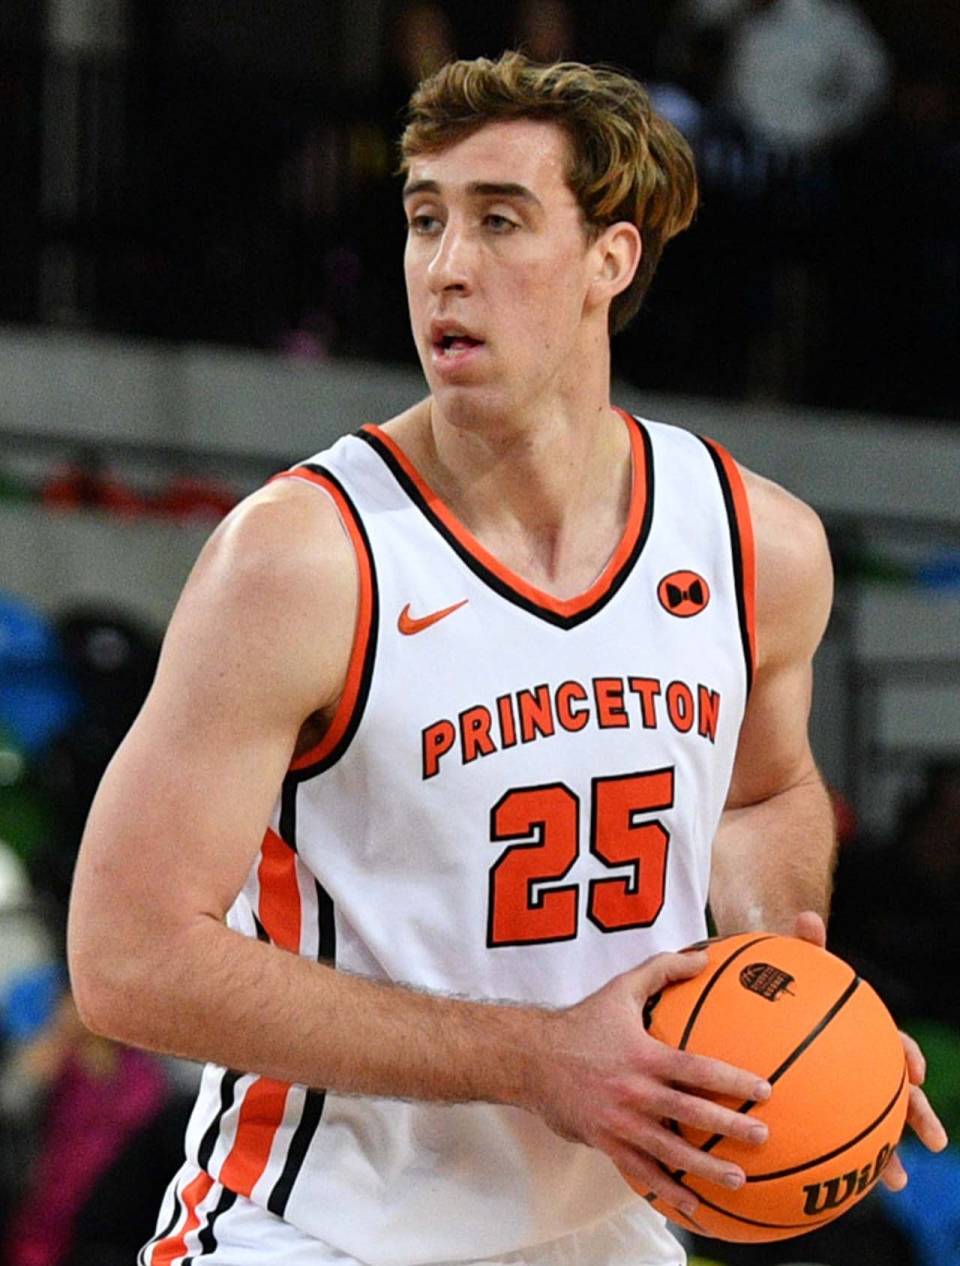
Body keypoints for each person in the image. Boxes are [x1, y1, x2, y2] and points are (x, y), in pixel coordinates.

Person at [66, 52, 946, 1266]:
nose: (447, 267)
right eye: (427, 219)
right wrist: (539, 1058)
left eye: (500, 219)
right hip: (317, 1229)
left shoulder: (758, 545)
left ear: (611, 259)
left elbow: (765, 791)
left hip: (609, 1223)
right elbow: (125, 959)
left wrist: (786, 991)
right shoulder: (303, 560)